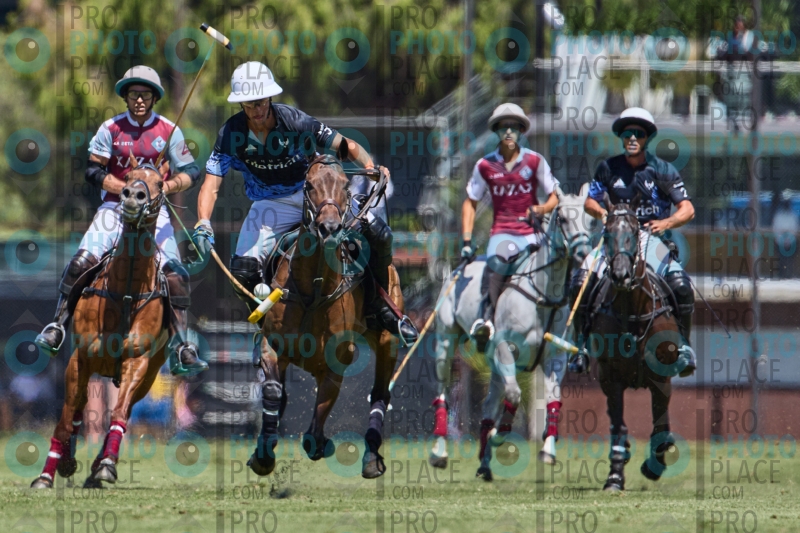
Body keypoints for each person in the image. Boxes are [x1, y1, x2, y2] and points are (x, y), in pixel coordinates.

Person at [193, 61, 419, 356]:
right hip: (268, 205)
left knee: (376, 233)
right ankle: (266, 327)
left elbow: (345, 145)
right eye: (249, 104)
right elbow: (211, 184)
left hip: (311, 195)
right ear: (241, 105)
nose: (257, 109)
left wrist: (370, 167)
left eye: (261, 102)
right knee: (243, 271)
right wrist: (203, 222)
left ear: (270, 98)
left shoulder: (295, 122)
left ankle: (384, 308)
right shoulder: (230, 134)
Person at [34, 65, 207, 376]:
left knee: (177, 274)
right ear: (125, 97)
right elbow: (92, 170)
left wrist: (165, 187)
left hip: (155, 213)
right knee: (81, 261)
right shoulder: (111, 128)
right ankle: (57, 326)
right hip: (115, 209)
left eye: (145, 94)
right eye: (133, 94)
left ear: (155, 98)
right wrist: (125, 190)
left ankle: (182, 346)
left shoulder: (169, 130)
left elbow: (192, 172)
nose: (139, 100)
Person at [569, 107, 697, 376]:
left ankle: (684, 346)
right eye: (627, 134)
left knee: (681, 285)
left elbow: (687, 209)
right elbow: (590, 201)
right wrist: (603, 214)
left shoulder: (662, 170)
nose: (632, 138)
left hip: (651, 239)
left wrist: (666, 223)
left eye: (638, 133)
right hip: (614, 239)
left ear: (647, 137)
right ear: (621, 138)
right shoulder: (608, 168)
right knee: (580, 281)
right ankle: (580, 346)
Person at [461, 103, 559, 352]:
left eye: (514, 127)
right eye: (503, 127)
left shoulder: (535, 161)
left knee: (561, 264)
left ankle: (567, 323)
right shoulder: (485, 165)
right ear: (496, 131)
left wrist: (541, 209)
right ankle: (487, 319)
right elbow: (470, 202)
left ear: (521, 131)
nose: (508, 132)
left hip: (532, 234)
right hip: (503, 233)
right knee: (497, 262)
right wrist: (467, 240)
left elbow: (555, 196)